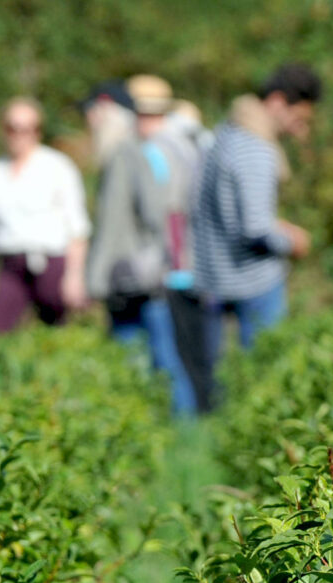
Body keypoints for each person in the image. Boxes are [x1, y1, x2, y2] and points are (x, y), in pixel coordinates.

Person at [179, 63, 321, 413]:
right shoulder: (255, 148)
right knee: (265, 381)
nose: (299, 128)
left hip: (218, 273)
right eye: (298, 117)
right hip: (252, 280)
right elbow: (256, 228)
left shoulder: (226, 133)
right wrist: (293, 242)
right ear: (278, 102)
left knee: (228, 377)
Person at [84, 75, 196, 416]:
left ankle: (159, 425)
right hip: (157, 269)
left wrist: (95, 279)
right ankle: (180, 428)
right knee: (166, 353)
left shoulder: (130, 152)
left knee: (142, 357)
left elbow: (119, 222)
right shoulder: (176, 147)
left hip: (132, 273)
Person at [0, 98, 91, 333]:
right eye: (12, 128)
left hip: (52, 262)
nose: (19, 136)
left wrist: (75, 276)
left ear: (38, 131)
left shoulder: (58, 167)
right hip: (10, 264)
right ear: (2, 129)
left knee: (58, 333)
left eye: (27, 129)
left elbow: (77, 227)